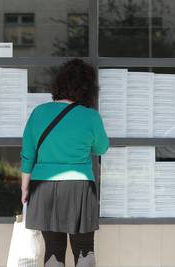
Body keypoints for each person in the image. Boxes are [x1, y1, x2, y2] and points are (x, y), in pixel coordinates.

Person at [21, 59, 109, 267]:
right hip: (79, 187)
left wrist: (25, 188)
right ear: (88, 88)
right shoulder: (90, 116)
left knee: (53, 251)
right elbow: (102, 148)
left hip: (43, 187)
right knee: (84, 250)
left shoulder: (39, 113)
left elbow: (27, 154)